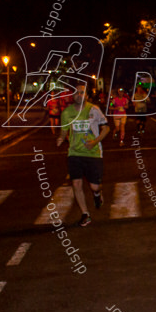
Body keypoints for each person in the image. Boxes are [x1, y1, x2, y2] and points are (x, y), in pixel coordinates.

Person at [56, 83, 110, 227]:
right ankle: (85, 214)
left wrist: (94, 141)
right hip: (74, 153)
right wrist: (61, 138)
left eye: (82, 93)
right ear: (73, 96)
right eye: (76, 93)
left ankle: (97, 194)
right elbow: (64, 129)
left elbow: (106, 128)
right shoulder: (67, 113)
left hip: (93, 153)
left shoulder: (94, 109)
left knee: (94, 186)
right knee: (76, 183)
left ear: (86, 95)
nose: (79, 95)